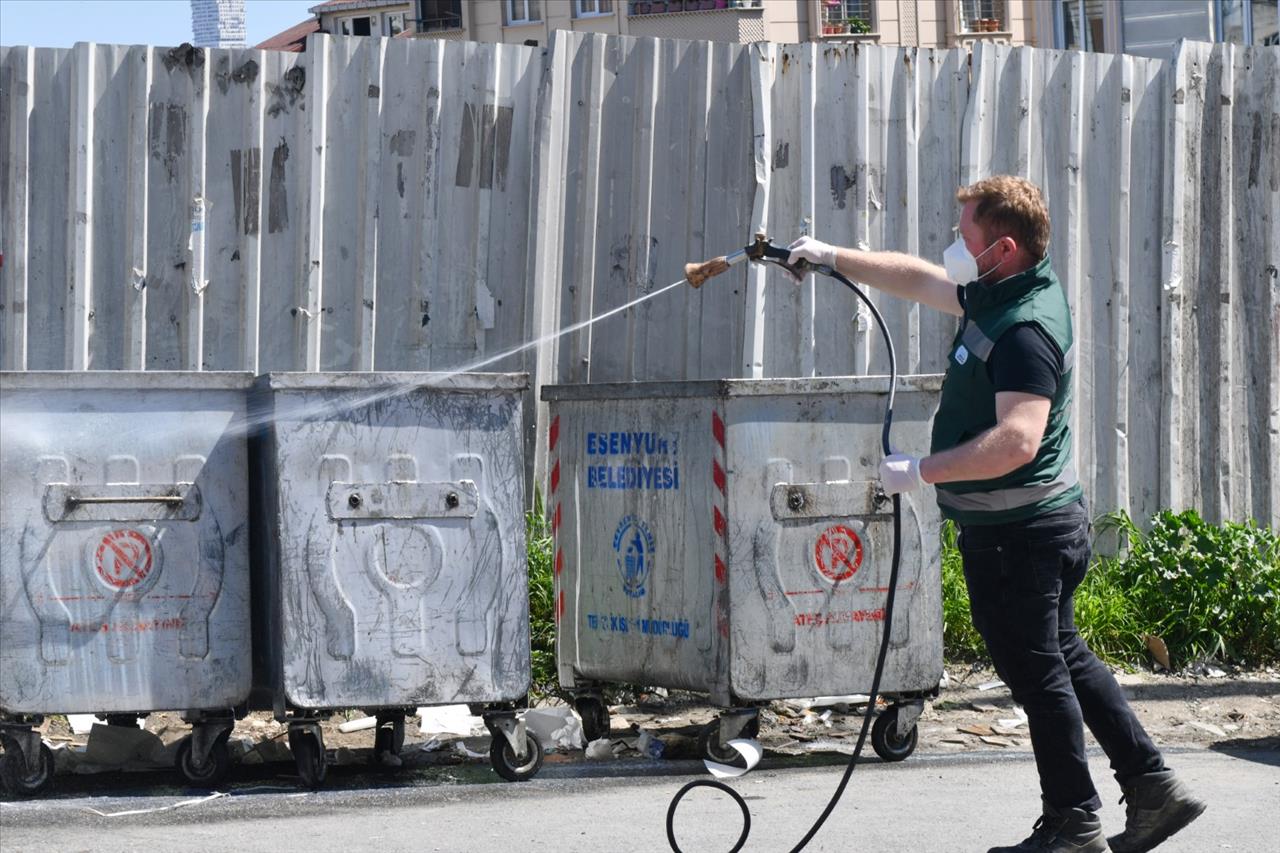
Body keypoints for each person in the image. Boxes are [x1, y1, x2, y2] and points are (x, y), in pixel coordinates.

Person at [786, 176, 1206, 853]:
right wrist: (834, 256)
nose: (955, 247)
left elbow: (1018, 439)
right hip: (1027, 529)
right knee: (1061, 657)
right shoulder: (1002, 292)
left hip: (1022, 536)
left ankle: (1074, 821)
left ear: (1003, 248)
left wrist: (921, 470)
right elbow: (923, 281)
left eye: (966, 237)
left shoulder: (1025, 330)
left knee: (1039, 669)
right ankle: (1154, 789)